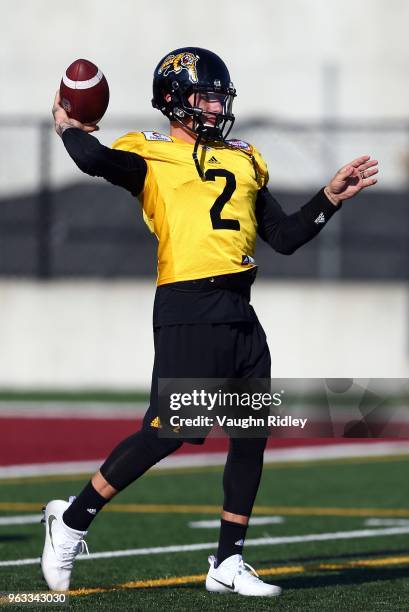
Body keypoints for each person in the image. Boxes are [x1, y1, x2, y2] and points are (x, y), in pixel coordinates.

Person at [41, 47, 378, 597]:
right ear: (175, 101)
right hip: (187, 306)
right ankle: (72, 520)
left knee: (251, 434)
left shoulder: (244, 158)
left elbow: (287, 238)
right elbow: (94, 160)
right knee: (168, 431)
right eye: (206, 95)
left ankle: (227, 561)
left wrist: (329, 199)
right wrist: (68, 126)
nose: (218, 104)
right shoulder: (149, 155)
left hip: (239, 308)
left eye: (221, 95)